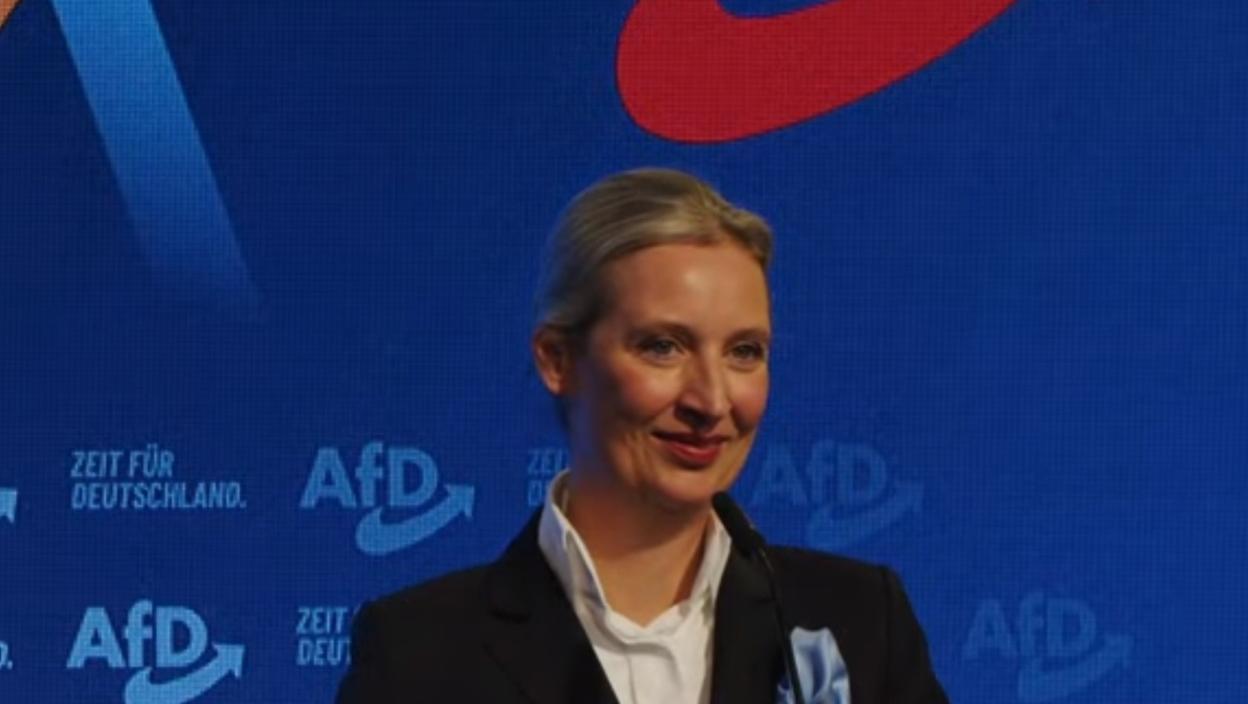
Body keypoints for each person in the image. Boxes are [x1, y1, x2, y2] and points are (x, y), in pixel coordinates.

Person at [335, 169, 948, 703]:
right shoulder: (419, 652)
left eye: (744, 352)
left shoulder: (860, 621)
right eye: (663, 346)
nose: (711, 401)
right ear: (557, 360)